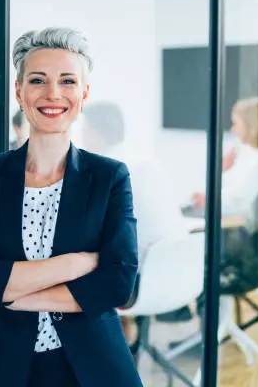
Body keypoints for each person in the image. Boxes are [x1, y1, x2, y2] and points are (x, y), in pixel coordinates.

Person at [0, 27, 142, 386]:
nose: (53, 93)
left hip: (92, 364)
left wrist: (9, 292)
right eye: (38, 80)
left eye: (67, 81)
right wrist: (75, 264)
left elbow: (117, 283)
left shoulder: (109, 177)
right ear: (20, 92)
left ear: (83, 94)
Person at [81, 101, 189, 339]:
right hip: (177, 278)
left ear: (94, 133)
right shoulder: (146, 161)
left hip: (137, 283)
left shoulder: (107, 168)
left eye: (84, 128)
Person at [191, 97, 258, 294]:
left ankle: (199, 319)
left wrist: (208, 197)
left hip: (250, 259)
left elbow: (236, 203)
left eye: (236, 123)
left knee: (196, 269)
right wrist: (225, 169)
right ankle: (219, 323)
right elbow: (237, 197)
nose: (233, 130)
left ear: (251, 127)